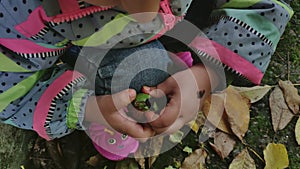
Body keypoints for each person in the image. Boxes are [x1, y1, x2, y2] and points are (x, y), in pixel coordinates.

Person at [0, 0, 294, 161]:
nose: (145, 12)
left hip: (172, 18)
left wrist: (207, 72)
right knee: (148, 74)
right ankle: (110, 103)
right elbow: (11, 93)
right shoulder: (18, 11)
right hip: (86, 39)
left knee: (154, 65)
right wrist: (90, 108)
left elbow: (266, 5)